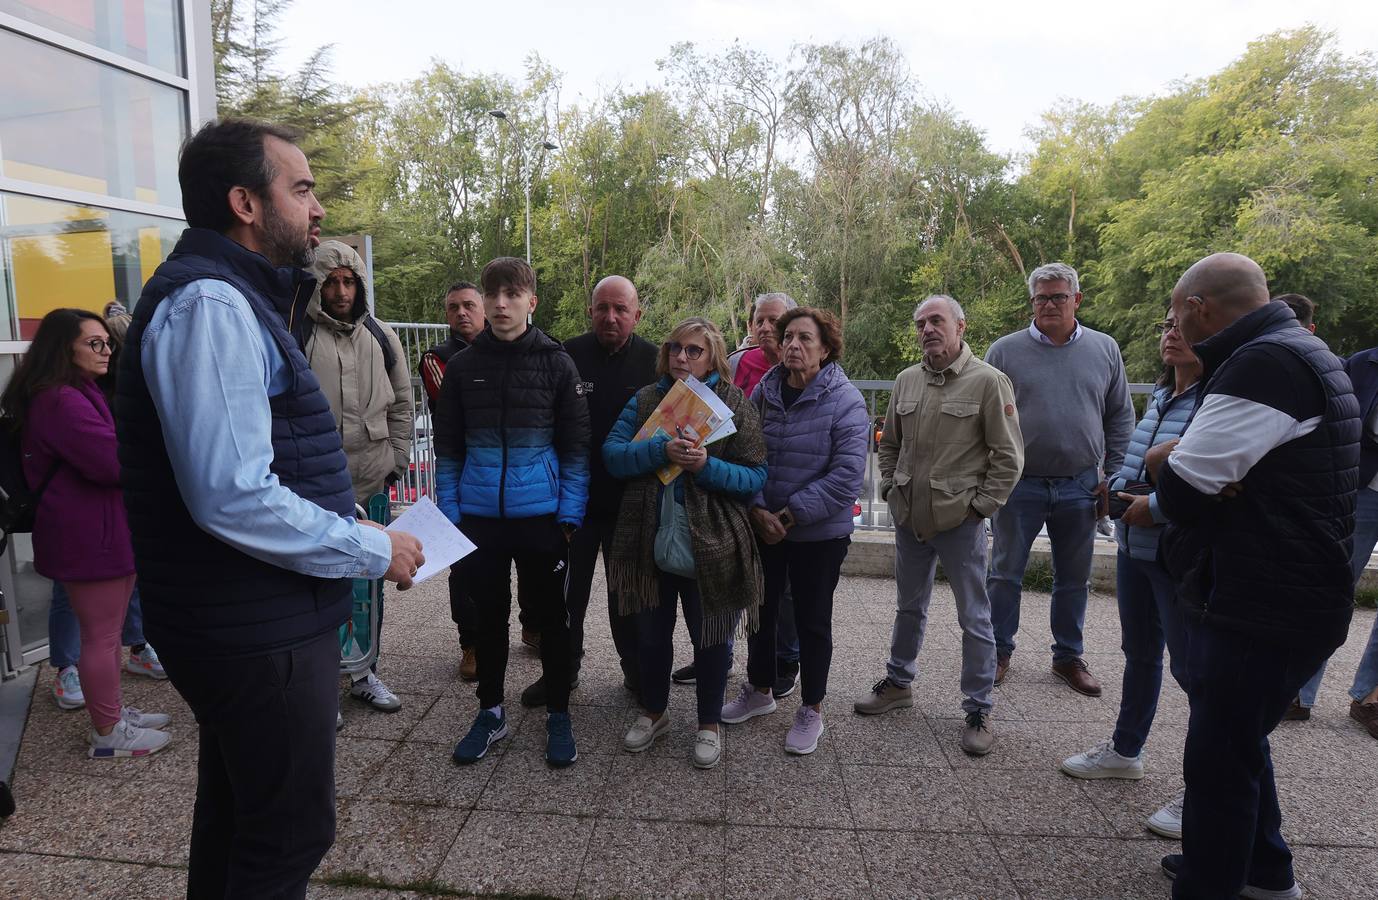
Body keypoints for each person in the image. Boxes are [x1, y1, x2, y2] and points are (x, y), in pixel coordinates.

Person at [116, 118, 424, 898]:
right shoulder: (212, 306)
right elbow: (232, 493)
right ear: (246, 202)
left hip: (249, 619)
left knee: (239, 819)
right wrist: (368, 547)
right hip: (252, 629)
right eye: (302, 188)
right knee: (288, 835)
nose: (317, 209)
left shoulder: (233, 299)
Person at [1146, 253, 1357, 899]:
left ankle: (1213, 885)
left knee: (1217, 763)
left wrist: (1160, 458)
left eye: (1177, 309)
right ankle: (1265, 873)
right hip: (1291, 594)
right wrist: (1202, 472)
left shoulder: (1262, 363)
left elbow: (1183, 490)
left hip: (1262, 601)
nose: (1175, 321)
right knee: (1238, 742)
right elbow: (1220, 477)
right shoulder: (1300, 350)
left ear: (1198, 308)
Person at [436, 256, 590, 768]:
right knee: (488, 619)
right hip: (480, 517)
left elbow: (575, 447)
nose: (501, 304)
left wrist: (568, 516)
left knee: (552, 619)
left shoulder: (557, 363)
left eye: (512, 294)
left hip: (542, 519)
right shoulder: (462, 368)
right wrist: (452, 511)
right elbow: (449, 448)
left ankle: (559, 715)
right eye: (493, 295)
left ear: (531, 301)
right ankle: (490, 711)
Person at [853, 296, 1023, 756]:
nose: (927, 329)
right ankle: (899, 682)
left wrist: (981, 508)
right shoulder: (907, 380)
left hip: (960, 522)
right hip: (910, 518)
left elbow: (1008, 457)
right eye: (921, 323)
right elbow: (887, 444)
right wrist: (889, 488)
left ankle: (978, 708)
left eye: (936, 321)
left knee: (974, 616)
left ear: (960, 326)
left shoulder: (988, 382)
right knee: (909, 607)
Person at [2, 309, 173, 757]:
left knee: (107, 633)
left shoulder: (71, 391)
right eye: (94, 343)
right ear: (65, 349)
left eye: (107, 343)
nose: (106, 351)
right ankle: (108, 733)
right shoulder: (60, 399)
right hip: (89, 535)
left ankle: (110, 712)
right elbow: (111, 462)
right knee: (100, 636)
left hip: (95, 528)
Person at [1059, 307, 1202, 840]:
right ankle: (1125, 749)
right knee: (1140, 654)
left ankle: (1205, 788)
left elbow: (1215, 476)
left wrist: (1157, 507)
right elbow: (1141, 458)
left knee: (1196, 674)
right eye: (1165, 324)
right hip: (1135, 546)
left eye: (1181, 325)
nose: (1171, 333)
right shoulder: (1164, 396)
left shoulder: (1215, 400)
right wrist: (1116, 482)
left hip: (1179, 554)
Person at [605, 317, 766, 769]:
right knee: (651, 639)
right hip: (646, 541)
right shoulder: (646, 399)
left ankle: (708, 724)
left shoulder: (733, 404)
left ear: (714, 355)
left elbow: (755, 474)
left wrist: (705, 468)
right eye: (675, 347)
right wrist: (659, 451)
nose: (681, 357)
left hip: (712, 544)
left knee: (711, 640)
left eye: (693, 350)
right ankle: (654, 713)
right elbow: (612, 457)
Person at [984, 262, 1134, 695]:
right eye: (1041, 298)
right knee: (1005, 573)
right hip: (1020, 483)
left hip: (1081, 484)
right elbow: (986, 417)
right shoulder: (1005, 351)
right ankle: (997, 650)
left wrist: (1117, 474)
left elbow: (1120, 415)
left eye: (1058, 297)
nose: (1049, 304)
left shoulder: (1105, 349)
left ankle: (1068, 656)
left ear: (1077, 300)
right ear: (1031, 302)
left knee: (1073, 577)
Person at [721, 307, 867, 754]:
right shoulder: (765, 390)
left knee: (811, 620)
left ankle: (812, 709)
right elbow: (746, 452)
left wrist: (786, 517)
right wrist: (758, 509)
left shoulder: (846, 401)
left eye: (805, 338)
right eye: (788, 338)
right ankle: (760, 690)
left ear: (826, 349)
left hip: (817, 534)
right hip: (765, 525)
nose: (793, 346)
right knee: (760, 614)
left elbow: (846, 477)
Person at [519, 275, 658, 707]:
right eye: (603, 308)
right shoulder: (568, 356)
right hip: (573, 503)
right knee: (565, 598)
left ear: (637, 315)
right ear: (590, 311)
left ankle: (636, 674)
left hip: (630, 505)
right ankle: (562, 672)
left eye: (621, 310)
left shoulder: (655, 362)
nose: (611, 317)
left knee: (627, 597)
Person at [300, 239, 412, 713]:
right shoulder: (297, 333)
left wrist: (398, 461)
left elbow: (404, 402)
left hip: (371, 481)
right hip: (317, 490)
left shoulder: (382, 336)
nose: (341, 291)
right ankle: (321, 684)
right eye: (331, 282)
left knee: (369, 585)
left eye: (349, 282)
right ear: (318, 286)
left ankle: (365, 672)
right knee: (320, 587)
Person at [673, 291, 798, 692]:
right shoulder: (739, 364)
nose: (765, 328)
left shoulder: (810, 367)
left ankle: (784, 661)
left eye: (774, 321)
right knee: (724, 578)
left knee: (784, 591)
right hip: (734, 486)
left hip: (787, 491)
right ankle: (717, 657)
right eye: (758, 320)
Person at [422, 280, 542, 680]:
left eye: (469, 305)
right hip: (469, 477)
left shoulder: (523, 350)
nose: (462, 313)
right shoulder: (440, 359)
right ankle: (471, 642)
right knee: (466, 567)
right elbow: (459, 407)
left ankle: (533, 625)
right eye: (453, 307)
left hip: (519, 477)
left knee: (529, 560)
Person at [1285, 338, 1378, 737]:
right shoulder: (1361, 365)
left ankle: (1371, 697)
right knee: (1331, 587)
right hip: (1361, 489)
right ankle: (1297, 691)